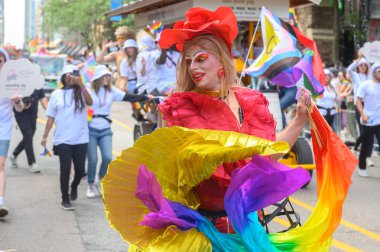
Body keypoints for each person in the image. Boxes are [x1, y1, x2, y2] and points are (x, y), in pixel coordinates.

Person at [157, 7, 310, 232]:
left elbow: (266, 156)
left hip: (248, 225)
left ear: (221, 62)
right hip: (206, 228)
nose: (193, 68)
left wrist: (298, 121)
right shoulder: (181, 107)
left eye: (200, 59)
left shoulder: (251, 102)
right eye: (188, 61)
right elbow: (197, 169)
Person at [85, 65, 153, 198]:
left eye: (108, 75)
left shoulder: (111, 91)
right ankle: (90, 184)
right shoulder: (89, 89)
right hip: (90, 129)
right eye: (105, 76)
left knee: (107, 157)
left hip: (105, 129)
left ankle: (100, 179)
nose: (107, 78)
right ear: (98, 78)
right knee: (92, 159)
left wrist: (145, 96)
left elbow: (129, 97)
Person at [41, 65, 93, 210]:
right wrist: (45, 136)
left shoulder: (81, 91)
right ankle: (65, 198)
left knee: (80, 169)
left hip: (81, 138)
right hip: (63, 138)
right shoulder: (56, 94)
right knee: (65, 169)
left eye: (73, 74)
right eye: (68, 74)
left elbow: (90, 102)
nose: (71, 76)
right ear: (63, 77)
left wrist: (81, 84)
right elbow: (50, 117)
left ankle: (74, 185)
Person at [0, 48, 24, 217]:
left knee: (0, 165)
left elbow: (20, 108)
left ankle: (0, 202)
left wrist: (17, 101)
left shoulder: (11, 83)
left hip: (3, 129)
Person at [9, 88, 48, 172]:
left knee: (28, 137)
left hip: (33, 114)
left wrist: (49, 110)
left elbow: (43, 98)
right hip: (20, 114)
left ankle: (14, 155)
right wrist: (21, 102)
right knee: (28, 135)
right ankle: (32, 163)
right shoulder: (20, 81)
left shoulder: (37, 84)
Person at [356, 63, 380, 177]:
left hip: (379, 120)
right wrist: (363, 114)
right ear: (374, 72)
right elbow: (358, 100)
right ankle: (362, 166)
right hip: (368, 120)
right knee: (366, 146)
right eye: (379, 71)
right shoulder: (366, 85)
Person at [347, 56, 372, 152]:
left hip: (368, 105)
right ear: (358, 66)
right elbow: (349, 69)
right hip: (359, 105)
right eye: (361, 65)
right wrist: (357, 61)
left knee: (368, 129)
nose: (363, 66)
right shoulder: (355, 76)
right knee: (362, 130)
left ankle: (358, 147)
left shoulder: (369, 77)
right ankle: (358, 147)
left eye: (365, 65)